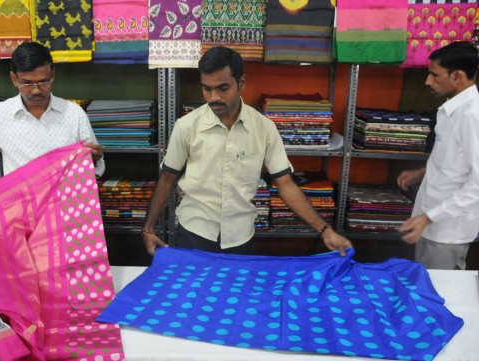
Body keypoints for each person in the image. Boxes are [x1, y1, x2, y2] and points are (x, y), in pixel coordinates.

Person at [142, 46, 352, 256]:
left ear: (241, 83)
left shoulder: (264, 128)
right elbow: (168, 179)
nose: (213, 97)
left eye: (223, 88)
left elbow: (286, 185)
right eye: (207, 88)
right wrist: (148, 228)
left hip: (240, 239)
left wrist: (325, 231)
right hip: (193, 234)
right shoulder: (186, 126)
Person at [0, 41, 104, 207]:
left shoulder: (74, 114)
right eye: (27, 83)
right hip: (19, 213)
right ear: (14, 79)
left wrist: (94, 160)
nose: (36, 90)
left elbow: (97, 163)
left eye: (43, 82)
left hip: (66, 209)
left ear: (52, 75)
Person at [397, 41, 479, 270]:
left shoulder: (472, 116)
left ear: (458, 76)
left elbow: (477, 182)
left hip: (447, 228)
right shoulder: (452, 110)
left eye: (435, 75)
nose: (427, 81)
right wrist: (423, 172)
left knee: (440, 292)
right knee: (426, 285)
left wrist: (430, 216)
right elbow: (457, 160)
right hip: (432, 221)